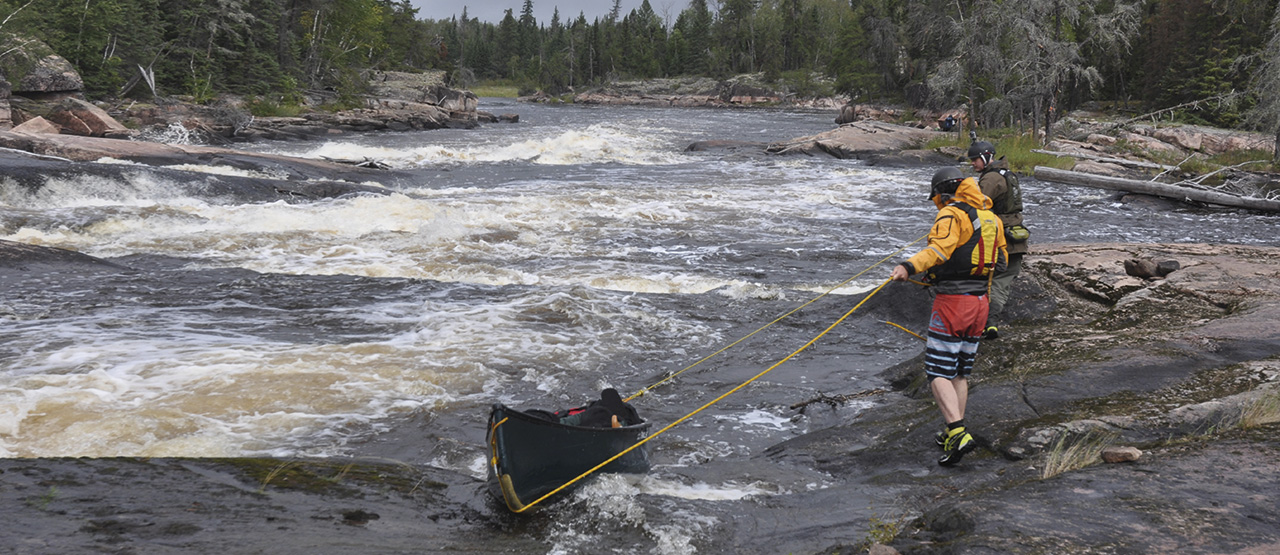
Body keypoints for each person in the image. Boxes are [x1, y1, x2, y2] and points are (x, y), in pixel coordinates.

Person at [890, 167, 1007, 466]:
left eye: (937, 200)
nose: (937, 206)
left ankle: (957, 432)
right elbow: (1002, 262)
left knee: (937, 371)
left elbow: (939, 251)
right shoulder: (991, 218)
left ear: (944, 194)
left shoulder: (951, 214)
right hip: (981, 304)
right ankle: (952, 429)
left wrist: (908, 267)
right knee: (959, 372)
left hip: (953, 304)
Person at [968, 141, 1028, 340]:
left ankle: (988, 324)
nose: (973, 164)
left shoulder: (991, 179)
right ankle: (989, 324)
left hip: (999, 237)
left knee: (992, 283)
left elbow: (976, 206)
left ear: (986, 157)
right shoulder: (1008, 174)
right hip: (1016, 234)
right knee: (1003, 282)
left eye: (975, 159)